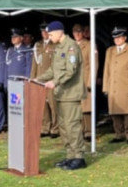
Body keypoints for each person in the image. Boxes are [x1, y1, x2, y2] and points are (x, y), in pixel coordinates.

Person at [43, 21, 86, 169]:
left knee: (72, 126)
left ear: (59, 32)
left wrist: (55, 82)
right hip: (61, 94)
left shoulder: (71, 46)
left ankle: (79, 157)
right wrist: (36, 80)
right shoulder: (58, 48)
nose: (49, 37)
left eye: (51, 34)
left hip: (71, 93)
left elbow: (71, 71)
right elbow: (52, 70)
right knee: (63, 126)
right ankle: (70, 156)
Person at [102, 26, 128, 144]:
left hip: (126, 85)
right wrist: (105, 87)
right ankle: (119, 134)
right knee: (115, 112)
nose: (117, 40)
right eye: (115, 38)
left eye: (119, 37)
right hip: (113, 86)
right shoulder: (110, 51)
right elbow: (106, 70)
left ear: (125, 38)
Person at [31, 23, 59, 138]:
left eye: (46, 31)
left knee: (53, 104)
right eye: (42, 31)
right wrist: (33, 78)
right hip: (40, 78)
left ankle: (55, 128)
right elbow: (35, 64)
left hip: (51, 79)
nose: (44, 33)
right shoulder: (38, 45)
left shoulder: (55, 45)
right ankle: (44, 127)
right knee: (42, 105)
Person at [73, 24, 95, 139]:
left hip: (85, 80)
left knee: (87, 109)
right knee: (76, 108)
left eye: (79, 32)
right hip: (73, 82)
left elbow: (93, 65)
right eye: (75, 32)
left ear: (83, 33)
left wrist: (91, 82)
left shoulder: (90, 45)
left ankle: (89, 131)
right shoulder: (70, 46)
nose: (77, 34)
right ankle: (79, 130)